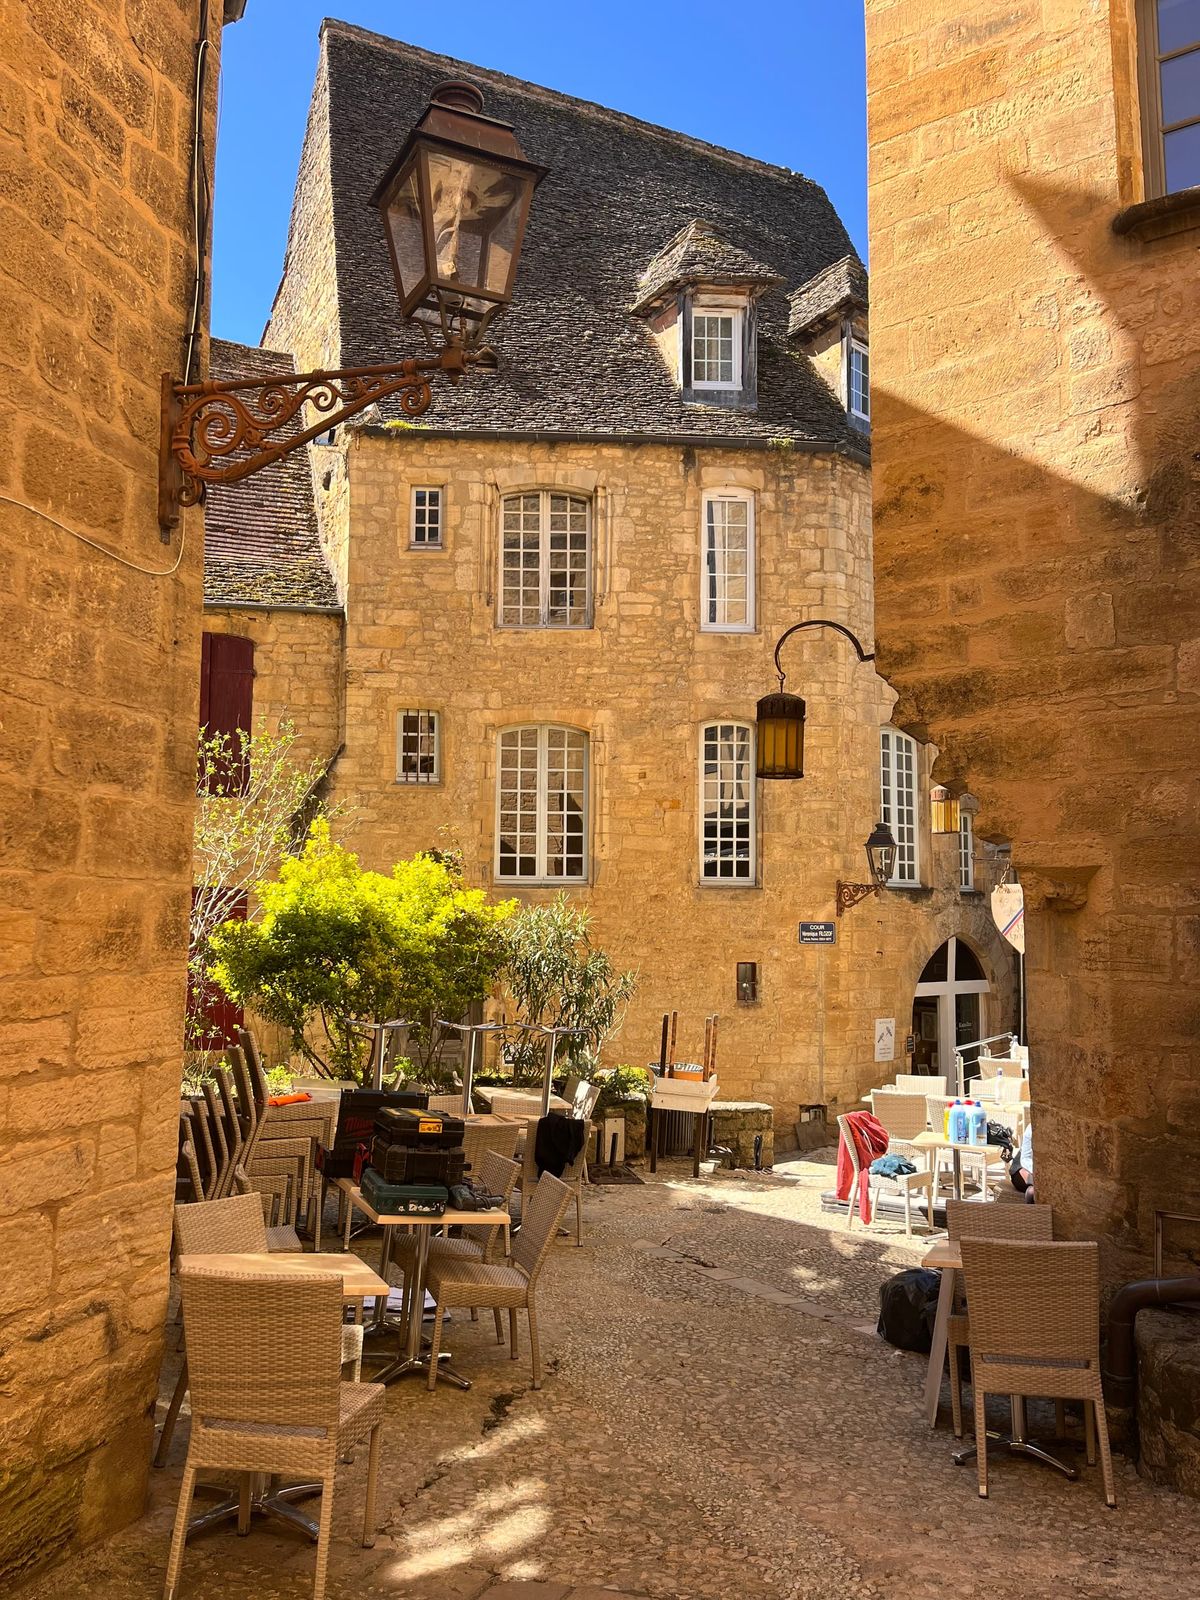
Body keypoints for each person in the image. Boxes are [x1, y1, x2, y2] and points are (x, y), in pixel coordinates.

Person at [1010, 1122, 1034, 1202]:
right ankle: (1031, 1211)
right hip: (1023, 1166)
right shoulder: (1032, 1128)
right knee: (1033, 1191)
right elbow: (1025, 1160)